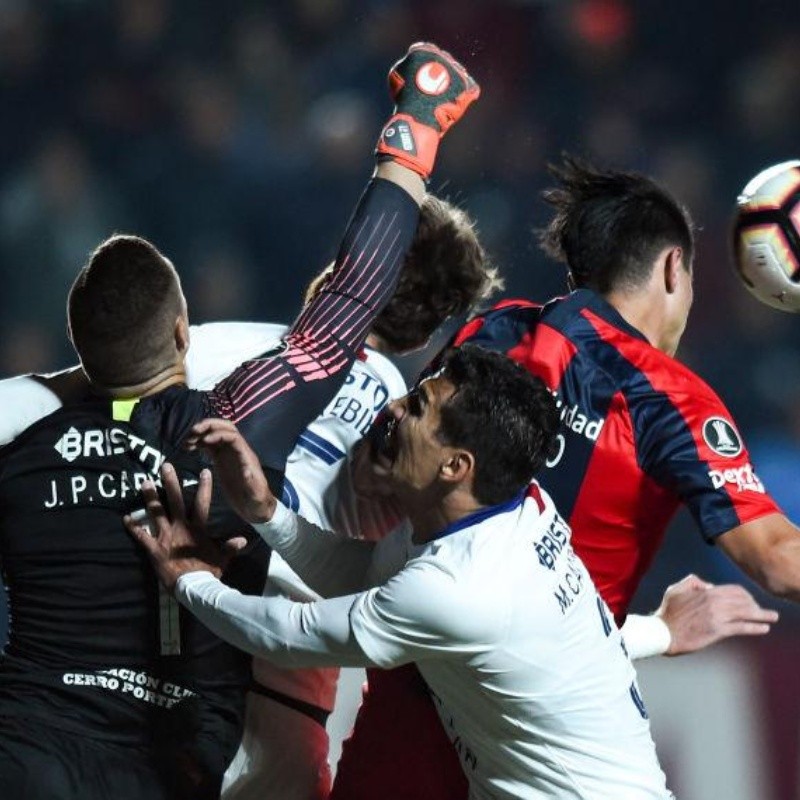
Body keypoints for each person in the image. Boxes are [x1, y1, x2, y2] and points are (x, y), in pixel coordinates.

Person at [0, 42, 480, 800]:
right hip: (258, 682)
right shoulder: (254, 406)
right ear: (179, 330)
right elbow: (346, 310)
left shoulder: (36, 428)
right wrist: (416, 127)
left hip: (43, 731)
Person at [329, 155, 792, 800]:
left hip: (412, 697)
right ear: (671, 269)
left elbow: (379, 474)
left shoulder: (493, 331)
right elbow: (777, 561)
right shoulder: (669, 398)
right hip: (542, 734)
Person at [127, 345, 676, 800]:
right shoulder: (496, 509)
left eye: (418, 406)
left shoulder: (462, 587)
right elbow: (363, 573)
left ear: (456, 466)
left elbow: (296, 634)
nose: (393, 408)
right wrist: (266, 512)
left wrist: (190, 580)